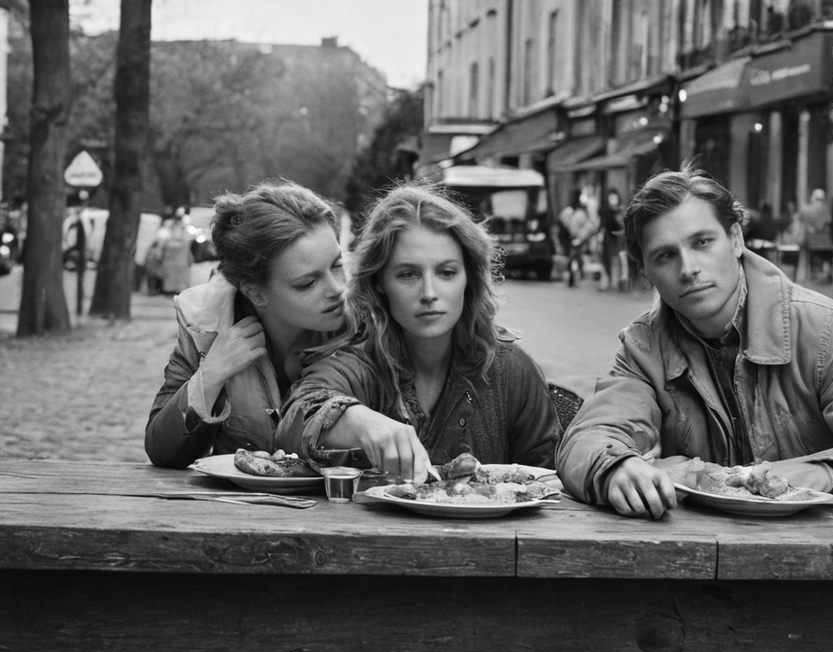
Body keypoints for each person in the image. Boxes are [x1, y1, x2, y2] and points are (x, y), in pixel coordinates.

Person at [555, 166, 833, 519]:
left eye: (702, 242)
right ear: (645, 271)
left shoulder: (827, 330)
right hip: (700, 553)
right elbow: (587, 439)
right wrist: (615, 468)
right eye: (665, 256)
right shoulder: (644, 347)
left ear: (735, 239)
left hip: (823, 548)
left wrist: (764, 480)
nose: (688, 269)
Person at [276, 182, 560, 481]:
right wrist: (357, 421)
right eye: (408, 274)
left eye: (446, 272)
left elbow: (549, 481)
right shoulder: (358, 365)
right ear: (379, 282)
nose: (429, 293)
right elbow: (294, 418)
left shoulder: (510, 369)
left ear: (469, 277)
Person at [145, 180, 347, 468]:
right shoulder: (206, 325)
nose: (337, 288)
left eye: (337, 265)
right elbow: (161, 451)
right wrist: (209, 377)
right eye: (307, 283)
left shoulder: (368, 326)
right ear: (254, 292)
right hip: (238, 499)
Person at [559, 189, 598, 288]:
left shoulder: (574, 211)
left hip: (576, 237)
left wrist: (580, 236)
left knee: (574, 257)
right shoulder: (574, 211)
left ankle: (575, 276)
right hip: (574, 237)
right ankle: (575, 276)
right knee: (575, 257)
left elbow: (589, 225)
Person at [799, 188, 833, 283]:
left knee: (814, 258)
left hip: (812, 242)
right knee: (827, 257)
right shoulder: (827, 209)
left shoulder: (806, 209)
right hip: (826, 242)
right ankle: (826, 273)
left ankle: (814, 273)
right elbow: (828, 223)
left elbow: (801, 220)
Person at [598, 187, 629, 292]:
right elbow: (602, 224)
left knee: (617, 259)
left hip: (619, 237)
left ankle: (618, 282)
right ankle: (608, 282)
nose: (612, 200)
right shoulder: (605, 210)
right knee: (606, 259)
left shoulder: (621, 210)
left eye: (614, 198)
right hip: (608, 237)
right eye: (611, 198)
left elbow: (623, 224)